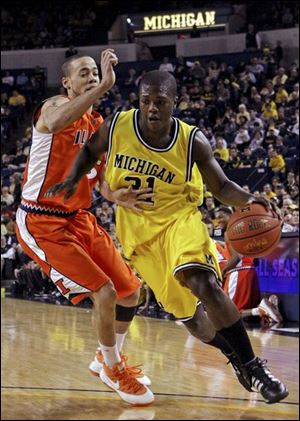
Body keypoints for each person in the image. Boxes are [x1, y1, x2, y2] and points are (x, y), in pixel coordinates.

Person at [48, 70, 288, 404]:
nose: (152, 109)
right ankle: (235, 357)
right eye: (146, 101)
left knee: (202, 282)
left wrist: (250, 200)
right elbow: (89, 151)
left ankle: (253, 367)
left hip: (180, 220)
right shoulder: (118, 126)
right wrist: (74, 178)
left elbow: (220, 186)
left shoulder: (192, 140)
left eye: (160, 102)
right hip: (140, 238)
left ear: (174, 103)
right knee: (193, 320)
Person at [15, 50, 154, 406]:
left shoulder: (97, 125)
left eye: (95, 72)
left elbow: (99, 179)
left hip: (79, 218)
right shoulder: (52, 108)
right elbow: (59, 122)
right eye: (84, 72)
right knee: (105, 293)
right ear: (67, 83)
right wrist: (106, 85)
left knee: (130, 290)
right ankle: (113, 368)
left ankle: (104, 357)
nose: (91, 76)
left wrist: (116, 196)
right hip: (41, 219)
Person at [214, 207, 283, 323]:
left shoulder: (229, 231)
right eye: (216, 218)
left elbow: (237, 256)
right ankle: (266, 306)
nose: (218, 220)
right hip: (250, 271)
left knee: (229, 313)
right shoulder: (242, 228)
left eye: (221, 217)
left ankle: (261, 309)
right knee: (243, 314)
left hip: (238, 273)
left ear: (230, 216)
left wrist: (223, 271)